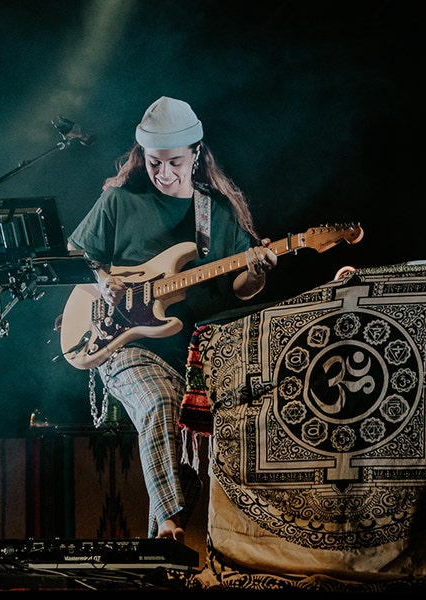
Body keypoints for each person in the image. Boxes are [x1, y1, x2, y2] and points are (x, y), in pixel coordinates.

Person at [66, 96, 277, 541]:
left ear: (197, 154)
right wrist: (103, 280)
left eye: (175, 162)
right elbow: (76, 255)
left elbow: (240, 290)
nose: (163, 173)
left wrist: (254, 271)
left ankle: (164, 557)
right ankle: (168, 526)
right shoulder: (120, 202)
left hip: (195, 358)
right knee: (160, 404)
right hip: (123, 344)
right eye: (154, 162)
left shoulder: (215, 215)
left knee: (196, 448)